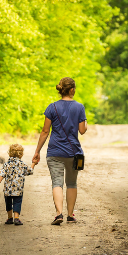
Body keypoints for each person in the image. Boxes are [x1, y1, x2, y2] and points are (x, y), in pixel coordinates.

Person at [32, 77, 87, 225]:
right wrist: (85, 123)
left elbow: (45, 131)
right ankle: (70, 215)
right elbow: (82, 131)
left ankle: (58, 214)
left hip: (54, 151)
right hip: (73, 153)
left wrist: (37, 151)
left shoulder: (52, 107)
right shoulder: (79, 107)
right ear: (72, 90)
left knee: (57, 182)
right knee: (71, 183)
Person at [0, 143, 34, 226]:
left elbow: (2, 173)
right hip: (18, 189)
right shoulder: (22, 164)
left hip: (8, 189)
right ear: (21, 154)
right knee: (17, 202)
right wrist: (33, 163)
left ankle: (9, 218)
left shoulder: (6, 164)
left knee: (8, 203)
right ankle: (16, 218)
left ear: (9, 153)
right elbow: (30, 171)